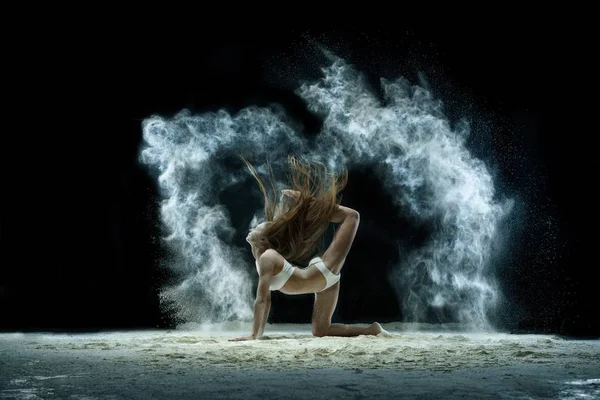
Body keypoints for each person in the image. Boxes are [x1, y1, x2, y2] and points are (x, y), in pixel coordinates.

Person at [230, 155, 384, 341]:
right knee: (321, 331)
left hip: (323, 272)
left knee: (352, 217)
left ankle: (306, 201)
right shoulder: (263, 258)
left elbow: (261, 300)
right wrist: (258, 334)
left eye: (257, 227)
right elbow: (266, 300)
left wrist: (305, 202)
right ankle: (372, 330)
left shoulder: (267, 257)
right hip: (321, 284)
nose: (253, 227)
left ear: (263, 239)